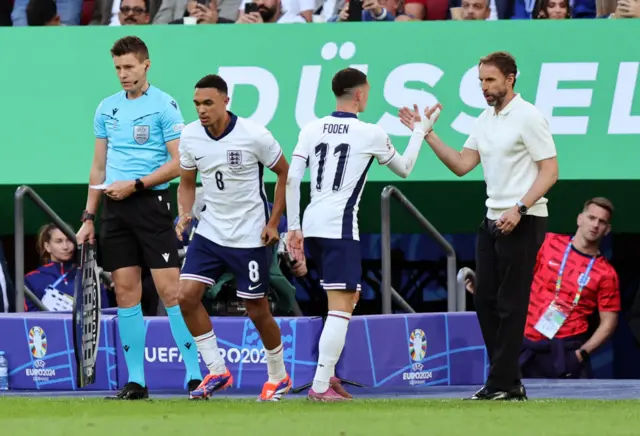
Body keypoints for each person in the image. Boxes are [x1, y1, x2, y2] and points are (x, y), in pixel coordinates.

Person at [399, 51, 559, 401]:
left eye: (491, 80)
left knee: (510, 303)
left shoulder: (529, 116)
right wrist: (426, 134)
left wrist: (519, 208)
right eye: (481, 81)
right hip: (491, 218)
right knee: (484, 301)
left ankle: (502, 382)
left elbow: (550, 170)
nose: (485, 88)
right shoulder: (485, 119)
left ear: (510, 78)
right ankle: (508, 381)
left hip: (524, 218)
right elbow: (461, 163)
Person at [285, 67, 433, 401]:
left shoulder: (311, 128)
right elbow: (405, 168)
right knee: (341, 307)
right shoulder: (370, 133)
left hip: (311, 223)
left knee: (345, 298)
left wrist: (294, 228)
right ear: (360, 95)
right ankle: (321, 387)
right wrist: (420, 132)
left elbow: (293, 179)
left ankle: (328, 375)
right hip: (339, 228)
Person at [75, 36, 202, 400]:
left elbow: (179, 163)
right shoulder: (106, 108)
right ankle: (136, 382)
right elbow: (98, 166)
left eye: (129, 67)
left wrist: (137, 184)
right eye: (117, 68)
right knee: (127, 293)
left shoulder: (165, 106)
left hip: (151, 204)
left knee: (171, 292)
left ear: (146, 65)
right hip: (114, 210)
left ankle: (195, 376)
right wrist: (88, 217)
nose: (123, 74)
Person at [175, 74, 292, 401]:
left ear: (226, 101)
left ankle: (278, 376)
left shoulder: (254, 134)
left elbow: (284, 172)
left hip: (250, 235)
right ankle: (216, 370)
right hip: (210, 231)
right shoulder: (190, 136)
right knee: (185, 296)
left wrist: (274, 223)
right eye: (197, 103)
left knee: (256, 309)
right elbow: (186, 182)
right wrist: (185, 213)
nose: (201, 110)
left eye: (208, 103)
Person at [463, 198, 620, 379]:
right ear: (579, 219)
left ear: (607, 230)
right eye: (591, 218)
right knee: (512, 401)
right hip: (524, 343)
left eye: (601, 222)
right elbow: (517, 275)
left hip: (564, 351)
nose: (595, 225)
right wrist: (488, 290)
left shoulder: (606, 273)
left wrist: (581, 354)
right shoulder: (548, 242)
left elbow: (609, 321)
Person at [25, 223, 111, 312]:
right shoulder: (32, 279)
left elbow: (103, 314)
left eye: (69, 240)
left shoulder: (89, 275)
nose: (65, 247)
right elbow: (28, 318)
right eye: (59, 241)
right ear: (47, 246)